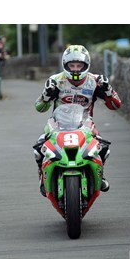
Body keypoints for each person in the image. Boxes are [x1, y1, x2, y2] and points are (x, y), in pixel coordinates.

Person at [34, 44, 121, 196]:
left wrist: (109, 91)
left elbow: (115, 106)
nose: (75, 69)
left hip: (85, 123)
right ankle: (43, 176)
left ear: (86, 65)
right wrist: (46, 96)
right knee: (39, 146)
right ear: (65, 65)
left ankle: (100, 175)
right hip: (57, 123)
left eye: (79, 65)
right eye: (71, 65)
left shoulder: (95, 81)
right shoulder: (55, 80)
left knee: (103, 146)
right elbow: (39, 107)